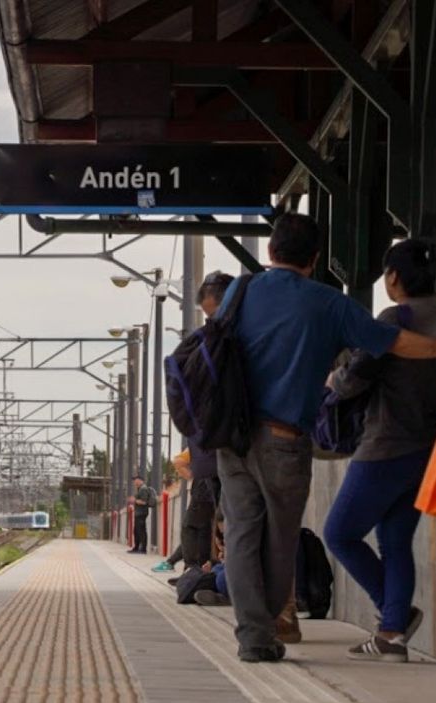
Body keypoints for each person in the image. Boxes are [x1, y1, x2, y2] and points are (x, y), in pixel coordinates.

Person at [215, 213, 436, 663]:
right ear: (315, 259)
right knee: (282, 539)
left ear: (272, 250)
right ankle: (382, 628)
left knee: (243, 535)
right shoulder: (329, 302)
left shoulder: (239, 290)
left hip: (233, 436)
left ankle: (254, 635)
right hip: (289, 438)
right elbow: (390, 342)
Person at [322, 240, 436, 662]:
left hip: (385, 446)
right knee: (394, 540)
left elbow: (354, 380)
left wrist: (334, 380)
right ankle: (390, 637)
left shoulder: (396, 318)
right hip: (425, 454)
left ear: (393, 278)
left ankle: (397, 615)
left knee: (339, 533)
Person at [153, 272, 232, 575]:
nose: (214, 319)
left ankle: (211, 577)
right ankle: (209, 577)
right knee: (221, 522)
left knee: (224, 521)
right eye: (210, 314)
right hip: (215, 452)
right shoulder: (207, 343)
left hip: (223, 450)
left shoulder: (206, 343)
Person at [127, 474, 156, 554]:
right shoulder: (140, 489)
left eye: (136, 480)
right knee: (136, 531)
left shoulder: (143, 489)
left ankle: (143, 549)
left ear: (140, 480)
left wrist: (134, 500)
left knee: (141, 531)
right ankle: (136, 548)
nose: (134, 482)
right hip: (139, 513)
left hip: (141, 513)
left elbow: (144, 502)